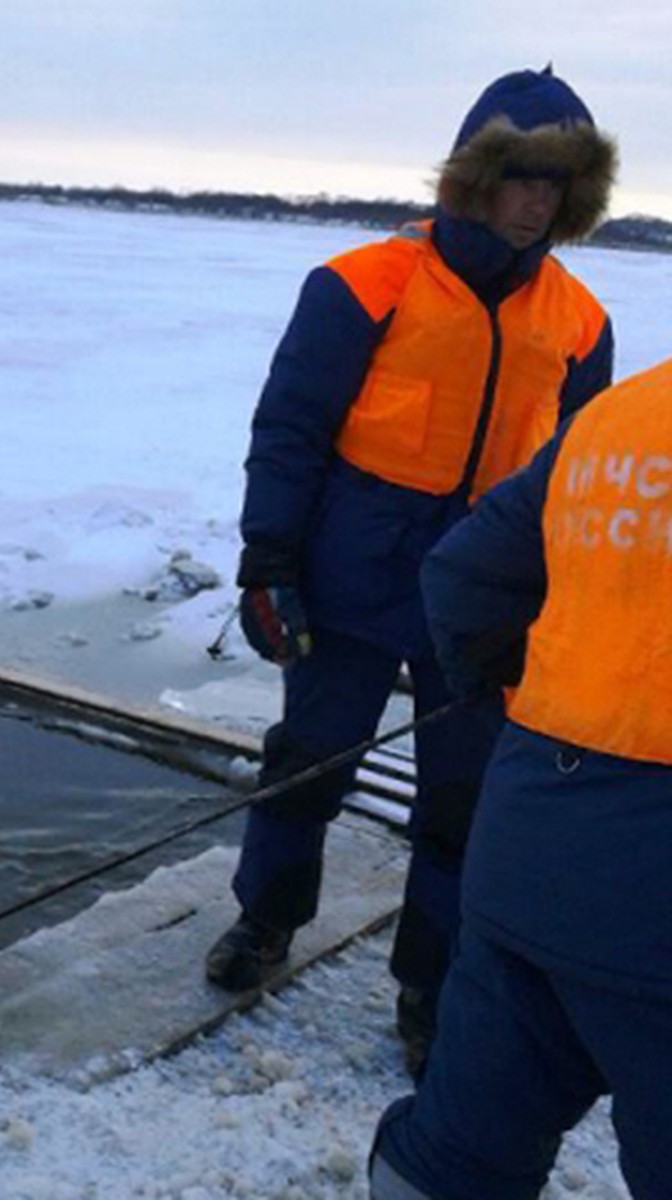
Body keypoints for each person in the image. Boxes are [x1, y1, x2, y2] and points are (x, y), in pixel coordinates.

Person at [207, 67, 617, 1073]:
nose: (536, 201)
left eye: (556, 185)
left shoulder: (582, 321)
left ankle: (430, 983)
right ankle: (266, 917)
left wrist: (559, 599)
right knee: (309, 762)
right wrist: (268, 560)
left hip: (485, 598)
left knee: (467, 801)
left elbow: (576, 482)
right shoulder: (362, 285)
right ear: (475, 176)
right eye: (521, 175)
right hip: (353, 573)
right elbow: (292, 429)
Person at [369, 355, 672, 1199]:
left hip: (530, 854)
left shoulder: (622, 415)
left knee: (458, 1151)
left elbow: (465, 578)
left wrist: (527, 692)